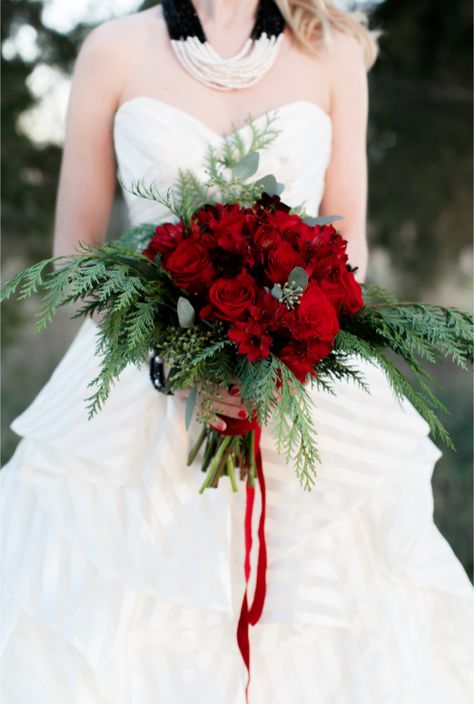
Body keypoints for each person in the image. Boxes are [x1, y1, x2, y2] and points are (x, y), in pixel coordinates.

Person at [1, 2, 473, 702]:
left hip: (299, 386)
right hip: (139, 392)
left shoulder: (333, 51)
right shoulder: (114, 48)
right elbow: (76, 257)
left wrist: (294, 345)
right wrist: (173, 363)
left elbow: (353, 241)